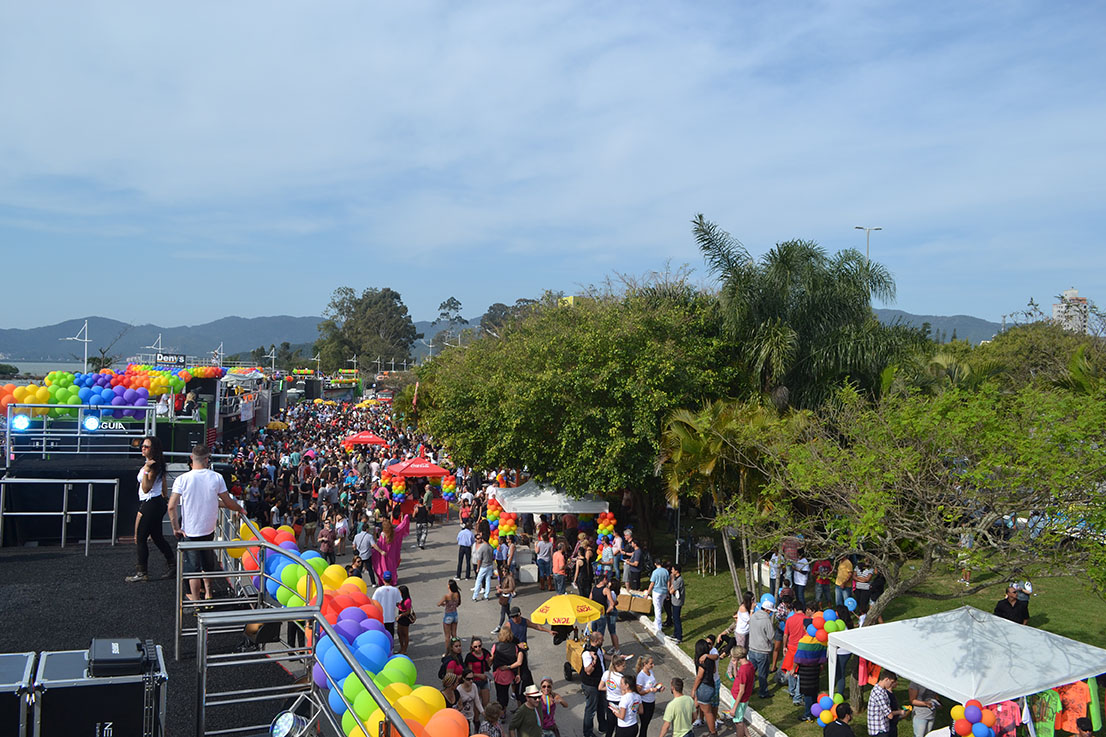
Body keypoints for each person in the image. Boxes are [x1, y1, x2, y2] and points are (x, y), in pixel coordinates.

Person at [168, 444, 246, 602]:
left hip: (189, 531)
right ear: (207, 459)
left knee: (193, 569)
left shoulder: (182, 479)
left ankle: (196, 601)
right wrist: (239, 508)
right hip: (208, 529)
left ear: (192, 458)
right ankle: (209, 593)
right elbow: (226, 502)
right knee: (207, 563)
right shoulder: (216, 477)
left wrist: (176, 528)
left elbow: (171, 506)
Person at [126, 436, 176, 582]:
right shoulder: (157, 464)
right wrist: (164, 497)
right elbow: (163, 483)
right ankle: (172, 564)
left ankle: (142, 572)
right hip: (155, 502)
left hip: (151, 503)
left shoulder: (153, 466)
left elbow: (146, 488)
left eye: (146, 446)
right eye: (142, 446)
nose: (143, 448)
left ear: (153, 449)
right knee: (157, 537)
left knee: (141, 538)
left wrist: (146, 470)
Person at [580, 630, 607, 737]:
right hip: (591, 685)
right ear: (596, 641)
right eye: (601, 640)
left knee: (601, 706)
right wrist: (594, 661)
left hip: (600, 683)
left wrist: (617, 658)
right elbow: (588, 671)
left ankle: (603, 726)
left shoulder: (598, 648)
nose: (603, 641)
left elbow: (603, 657)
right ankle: (587, 733)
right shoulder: (587, 653)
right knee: (591, 709)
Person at [691, 639, 719, 737]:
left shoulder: (702, 661)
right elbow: (714, 670)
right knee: (695, 706)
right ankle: (687, 727)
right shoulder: (710, 659)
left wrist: (694, 689)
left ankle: (713, 733)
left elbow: (699, 677)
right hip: (710, 685)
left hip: (704, 688)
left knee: (707, 712)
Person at [490, 628, 522, 709]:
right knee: (505, 691)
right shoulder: (514, 647)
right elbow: (517, 662)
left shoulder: (496, 646)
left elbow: (491, 659)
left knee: (499, 692)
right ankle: (504, 708)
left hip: (498, 673)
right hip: (509, 673)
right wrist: (517, 674)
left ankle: (501, 708)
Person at [867, 671, 904, 737]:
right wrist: (900, 712)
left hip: (881, 728)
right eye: (891, 682)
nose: (891, 684)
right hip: (879, 730)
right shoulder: (879, 694)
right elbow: (890, 715)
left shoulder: (881, 690)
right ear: (886, 679)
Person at [727, 646, 754, 736]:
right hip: (743, 698)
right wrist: (735, 666)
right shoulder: (749, 665)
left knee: (738, 723)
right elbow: (737, 677)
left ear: (737, 656)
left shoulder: (743, 670)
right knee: (739, 719)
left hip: (739, 699)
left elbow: (741, 691)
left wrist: (734, 707)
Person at [635, 655, 664, 737]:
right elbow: (639, 691)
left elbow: (654, 684)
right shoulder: (641, 676)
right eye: (651, 664)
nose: (653, 665)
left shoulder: (651, 672)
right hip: (644, 703)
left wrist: (659, 688)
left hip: (651, 701)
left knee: (646, 724)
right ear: (645, 664)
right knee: (644, 724)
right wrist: (650, 690)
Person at [602, 656, 629, 737]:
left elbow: (600, 687)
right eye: (623, 666)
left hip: (609, 702)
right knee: (618, 725)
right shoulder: (621, 678)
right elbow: (624, 693)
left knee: (610, 725)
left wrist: (610, 689)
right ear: (617, 666)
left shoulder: (606, 673)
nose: (625, 667)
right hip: (619, 702)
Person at [372, 570, 402, 637]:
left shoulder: (378, 590)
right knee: (390, 635)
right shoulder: (395, 590)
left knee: (382, 636)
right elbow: (399, 602)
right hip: (391, 617)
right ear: (391, 579)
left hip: (381, 617)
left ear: (383, 579)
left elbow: (373, 602)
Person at [466, 636, 492, 707]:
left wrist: (487, 673)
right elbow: (469, 672)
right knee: (476, 704)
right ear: (472, 647)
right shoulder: (470, 657)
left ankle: (486, 714)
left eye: (479, 646)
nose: (478, 648)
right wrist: (479, 675)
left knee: (486, 703)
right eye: (475, 647)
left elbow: (489, 663)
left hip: (484, 680)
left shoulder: (485, 652)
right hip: (474, 681)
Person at [646, 558, 670, 637]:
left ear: (655, 564)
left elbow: (652, 583)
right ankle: (656, 622)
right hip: (664, 591)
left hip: (657, 591)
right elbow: (668, 582)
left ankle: (658, 626)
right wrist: (667, 592)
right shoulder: (665, 571)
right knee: (660, 606)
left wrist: (648, 593)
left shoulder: (655, 572)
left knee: (657, 608)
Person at [473, 532, 496, 601]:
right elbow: (493, 557)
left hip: (483, 566)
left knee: (478, 580)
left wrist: (478, 568)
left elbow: (479, 559)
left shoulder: (482, 548)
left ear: (483, 539)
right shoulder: (491, 547)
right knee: (488, 580)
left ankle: (475, 596)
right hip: (490, 565)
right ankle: (486, 595)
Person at [494, 567, 517, 633]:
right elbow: (503, 585)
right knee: (507, 612)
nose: (503, 572)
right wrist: (499, 587)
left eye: (505, 571)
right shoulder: (504, 577)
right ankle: (514, 625)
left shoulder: (510, 578)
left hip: (507, 597)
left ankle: (499, 627)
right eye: (503, 571)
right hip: (504, 595)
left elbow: (511, 588)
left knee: (503, 612)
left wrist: (501, 590)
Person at [439, 579, 462, 644]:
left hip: (448, 615)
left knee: (447, 636)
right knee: (454, 634)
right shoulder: (457, 594)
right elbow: (458, 604)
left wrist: (444, 604)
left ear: (449, 586)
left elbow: (439, 603)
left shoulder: (447, 596)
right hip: (455, 614)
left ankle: (448, 649)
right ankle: (456, 646)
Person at [668, 564, 686, 643]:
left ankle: (679, 637)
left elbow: (671, 591)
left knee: (677, 619)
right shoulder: (676, 579)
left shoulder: (679, 580)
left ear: (677, 571)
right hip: (674, 601)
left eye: (673, 570)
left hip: (677, 603)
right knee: (674, 619)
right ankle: (675, 633)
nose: (671, 571)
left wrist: (670, 589)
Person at [396, 584, 415, 654]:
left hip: (405, 617)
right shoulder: (400, 598)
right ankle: (401, 647)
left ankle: (404, 649)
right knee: (399, 632)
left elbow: (408, 611)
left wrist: (401, 615)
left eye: (399, 592)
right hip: (400, 616)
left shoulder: (407, 601)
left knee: (405, 634)